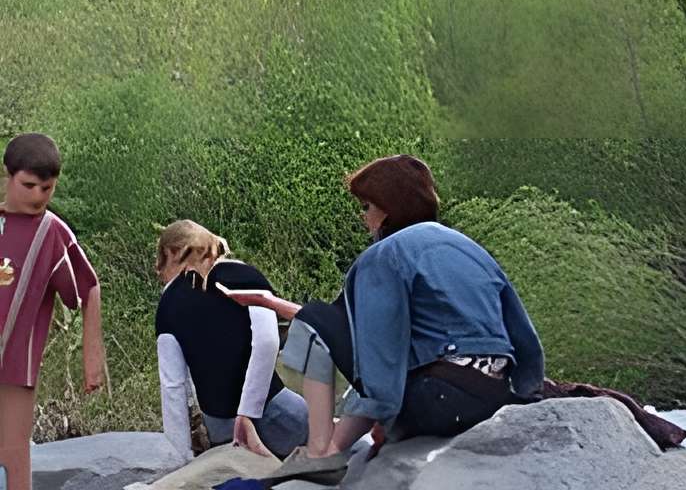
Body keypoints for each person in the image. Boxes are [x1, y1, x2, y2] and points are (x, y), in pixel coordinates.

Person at [291, 157, 540, 457]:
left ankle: (320, 452)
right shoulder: (471, 248)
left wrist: (381, 420)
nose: (363, 217)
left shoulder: (384, 256)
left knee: (315, 320)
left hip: (438, 400)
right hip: (494, 396)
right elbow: (525, 337)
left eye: (366, 207)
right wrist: (528, 390)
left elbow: (381, 351)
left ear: (387, 209)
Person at [149, 222, 308, 461]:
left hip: (224, 432)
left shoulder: (167, 306)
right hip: (281, 416)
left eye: (160, 257)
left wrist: (181, 459)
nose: (157, 269)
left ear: (173, 253)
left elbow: (173, 387)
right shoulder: (242, 273)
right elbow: (267, 342)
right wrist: (248, 411)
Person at [0, 133, 104, 490]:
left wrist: (92, 356)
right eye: (29, 185)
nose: (38, 196)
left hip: (15, 367)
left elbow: (88, 286)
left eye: (47, 188)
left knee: (12, 455)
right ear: (8, 176)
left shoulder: (51, 231)